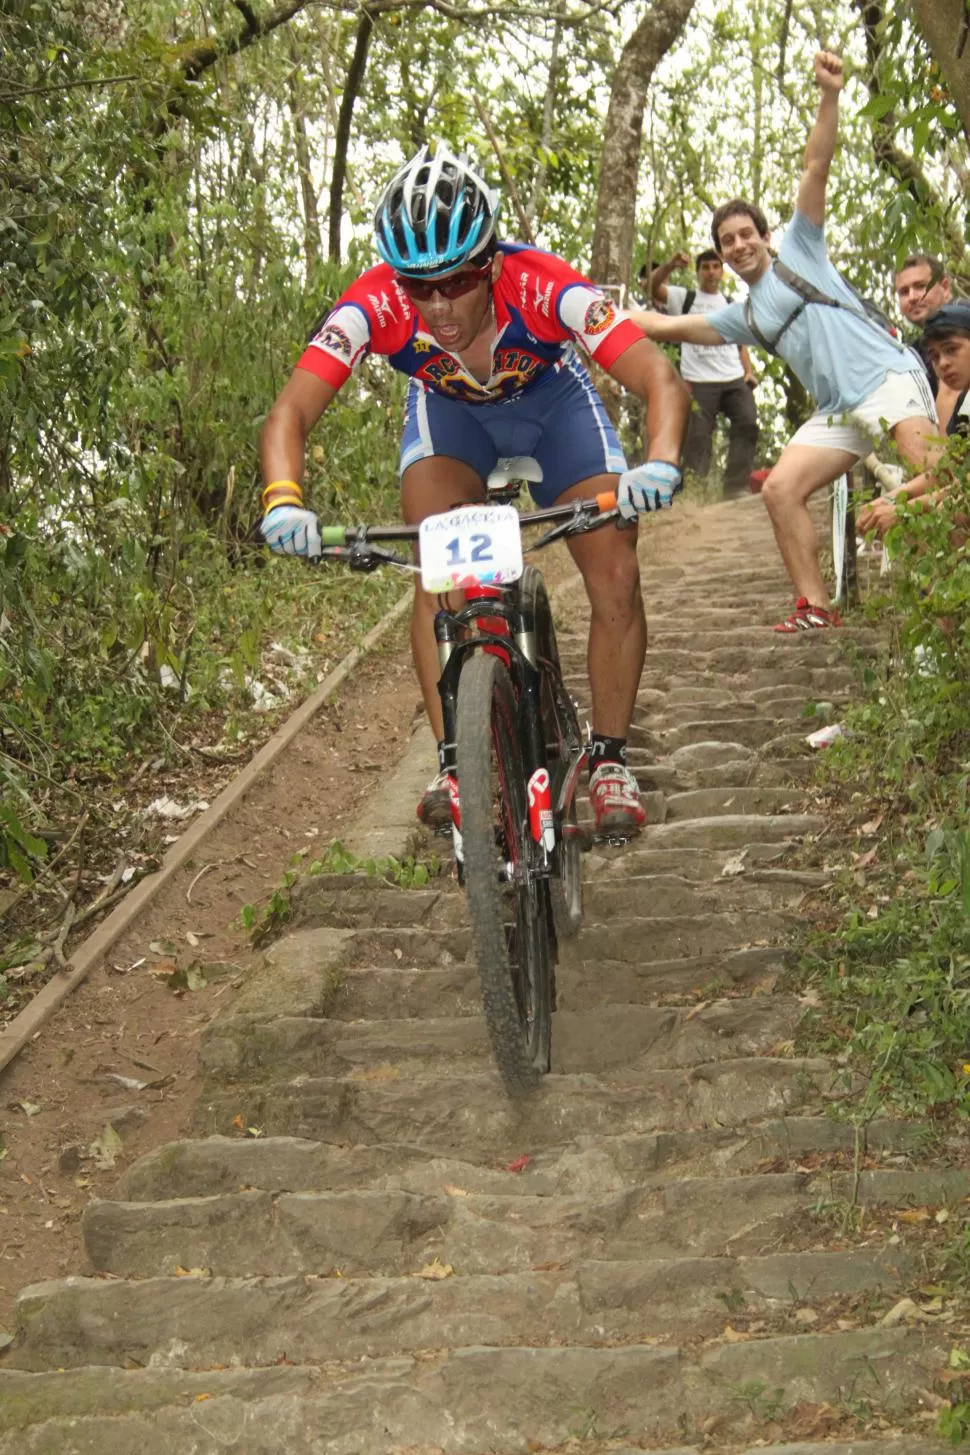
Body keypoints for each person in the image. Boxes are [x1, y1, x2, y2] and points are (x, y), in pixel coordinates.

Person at [259, 145, 689, 838]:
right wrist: (283, 495)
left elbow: (657, 376)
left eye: (456, 280)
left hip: (554, 410)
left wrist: (660, 460)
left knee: (615, 570)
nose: (438, 304)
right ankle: (457, 763)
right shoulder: (372, 303)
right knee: (439, 568)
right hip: (451, 417)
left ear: (489, 264)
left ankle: (609, 759)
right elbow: (290, 413)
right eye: (417, 286)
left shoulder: (545, 284)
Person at [629, 51, 939, 633]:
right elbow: (662, 327)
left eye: (747, 233)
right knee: (779, 489)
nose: (739, 245)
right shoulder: (743, 316)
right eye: (727, 240)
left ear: (767, 236)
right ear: (720, 254)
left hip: (887, 379)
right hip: (839, 410)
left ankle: (944, 599)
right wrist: (586, 313)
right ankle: (816, 607)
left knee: (942, 479)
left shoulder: (802, 248)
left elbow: (815, 164)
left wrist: (830, 95)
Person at [648, 248, 759, 498]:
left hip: (732, 378)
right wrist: (669, 265)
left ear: (722, 271)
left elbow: (740, 343)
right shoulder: (684, 299)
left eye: (715, 266)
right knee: (698, 438)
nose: (711, 272)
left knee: (748, 421)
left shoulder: (731, 304)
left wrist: (748, 372)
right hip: (699, 382)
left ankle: (736, 487)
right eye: (705, 267)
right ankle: (694, 493)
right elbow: (654, 287)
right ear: (698, 272)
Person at [858, 300, 970, 536]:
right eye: (935, 356)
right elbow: (949, 470)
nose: (943, 364)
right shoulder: (965, 404)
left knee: (952, 512)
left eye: (952, 350)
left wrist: (904, 509)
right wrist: (894, 497)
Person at [894, 253, 958, 426]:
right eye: (904, 292)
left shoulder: (960, 319)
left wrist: (945, 451)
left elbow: (951, 391)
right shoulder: (915, 350)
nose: (912, 297)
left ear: (945, 288)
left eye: (921, 286)